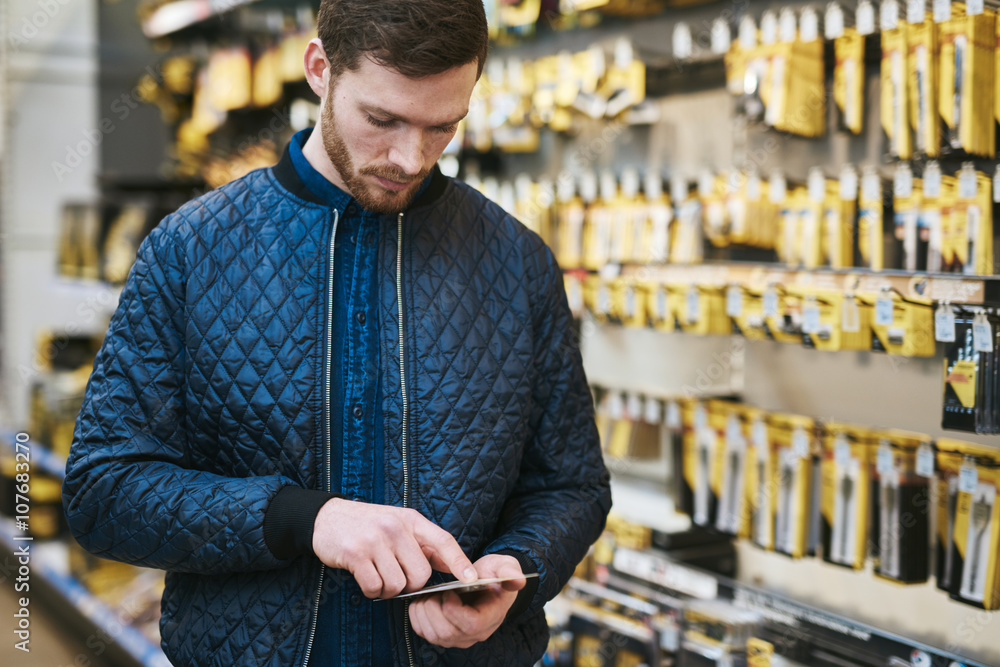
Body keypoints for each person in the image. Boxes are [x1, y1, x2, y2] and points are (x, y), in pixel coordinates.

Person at [62, 0, 611, 665]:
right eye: (382, 120)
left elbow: (571, 486)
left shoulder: (517, 263)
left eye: (443, 127)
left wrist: (515, 572)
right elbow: (105, 489)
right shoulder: (190, 251)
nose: (410, 158)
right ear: (320, 69)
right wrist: (306, 518)